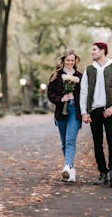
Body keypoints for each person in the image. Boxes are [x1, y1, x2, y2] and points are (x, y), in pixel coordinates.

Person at [80, 42, 112, 188]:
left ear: (102, 51)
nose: (92, 52)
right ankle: (102, 173)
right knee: (97, 143)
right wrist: (84, 112)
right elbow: (84, 93)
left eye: (94, 50)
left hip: (109, 111)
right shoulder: (88, 70)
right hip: (94, 112)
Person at [47, 49, 83, 182]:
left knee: (70, 140)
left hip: (75, 110)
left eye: (72, 60)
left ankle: (66, 167)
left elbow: (85, 95)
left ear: (75, 61)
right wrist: (61, 99)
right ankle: (71, 170)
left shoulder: (80, 76)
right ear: (63, 61)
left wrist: (85, 113)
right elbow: (50, 94)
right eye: (67, 60)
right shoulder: (56, 75)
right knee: (64, 142)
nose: (70, 62)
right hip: (61, 111)